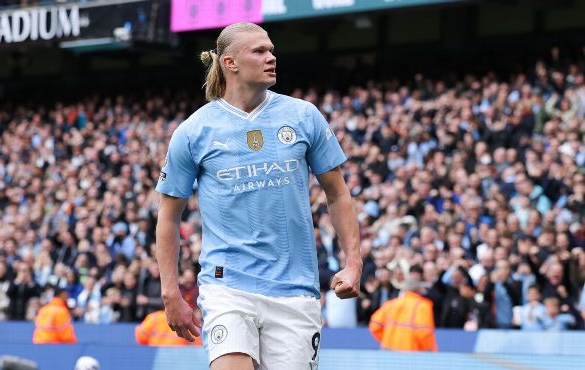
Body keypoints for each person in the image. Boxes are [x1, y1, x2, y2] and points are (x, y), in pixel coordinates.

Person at [155, 22, 362, 370]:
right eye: (260, 51)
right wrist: (170, 292)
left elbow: (338, 193)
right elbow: (169, 216)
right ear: (230, 62)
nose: (271, 57)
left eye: (271, 50)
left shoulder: (303, 116)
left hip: (295, 291)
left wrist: (354, 262)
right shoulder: (193, 131)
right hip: (227, 285)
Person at [369, 278, 438, 351]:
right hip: (412, 355)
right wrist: (430, 353)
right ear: (420, 291)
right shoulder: (422, 306)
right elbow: (424, 334)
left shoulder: (390, 304)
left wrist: (387, 340)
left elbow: (374, 326)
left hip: (388, 354)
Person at [135, 309, 202, 346]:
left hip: (156, 359)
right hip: (178, 360)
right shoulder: (187, 321)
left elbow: (140, 337)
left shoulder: (153, 318)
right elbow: (197, 344)